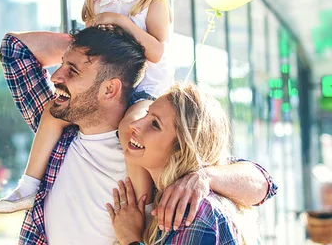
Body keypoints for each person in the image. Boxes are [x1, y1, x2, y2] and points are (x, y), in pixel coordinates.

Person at [0, 27, 276, 244]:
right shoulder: (57, 132)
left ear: (109, 90)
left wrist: (204, 177)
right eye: (62, 64)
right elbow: (15, 50)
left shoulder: (152, 156)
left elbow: (263, 183)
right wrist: (107, 38)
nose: (56, 76)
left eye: (73, 70)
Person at [0, 0, 173, 214]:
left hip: (144, 91)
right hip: (106, 88)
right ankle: (28, 186)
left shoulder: (152, 2)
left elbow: (157, 52)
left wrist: (121, 23)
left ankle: (145, 204)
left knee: (131, 127)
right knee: (53, 114)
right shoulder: (99, 3)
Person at [108, 82, 261, 244]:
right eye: (147, 113)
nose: (135, 125)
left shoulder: (197, 215)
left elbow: (266, 183)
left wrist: (130, 239)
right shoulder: (167, 199)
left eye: (155, 124)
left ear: (181, 150)